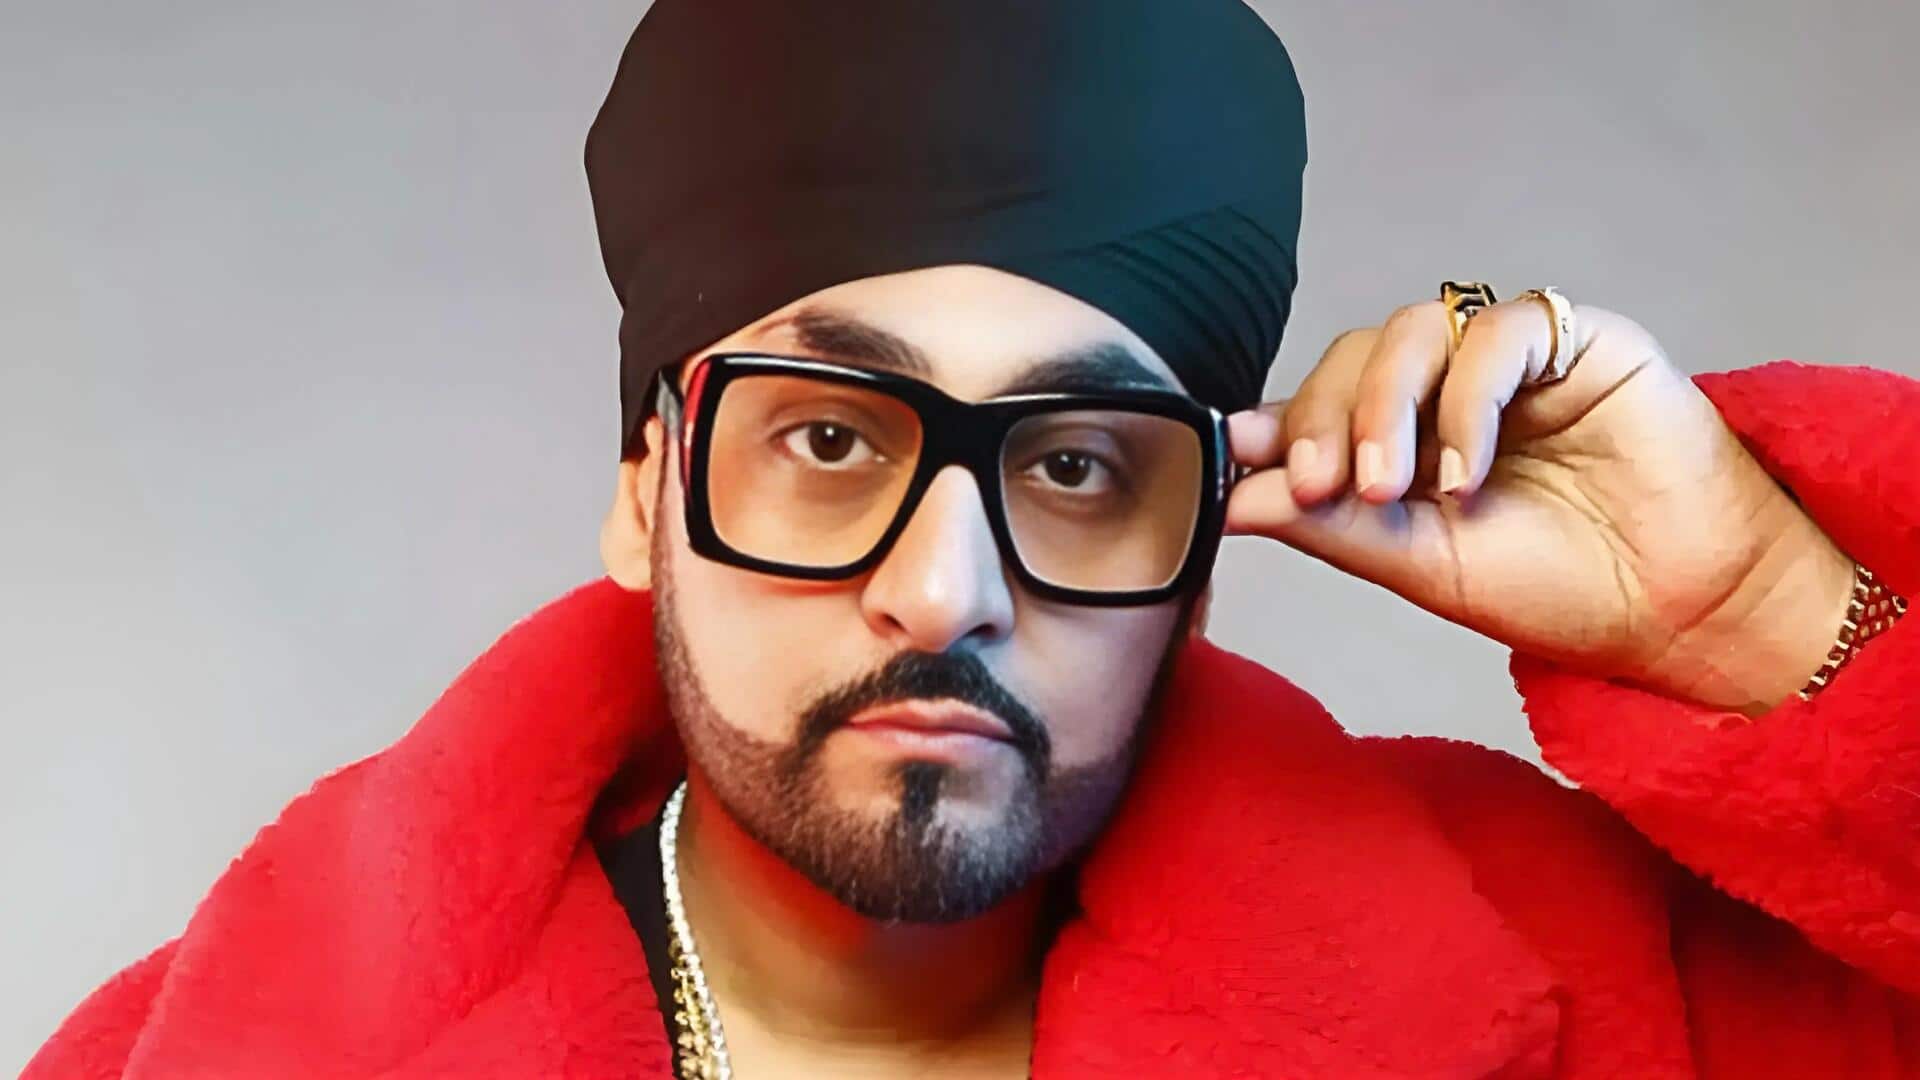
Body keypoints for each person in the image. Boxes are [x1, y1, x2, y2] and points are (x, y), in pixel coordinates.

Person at [27, 2, 1919, 1077]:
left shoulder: (1601, 994)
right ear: (646, 493)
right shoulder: (213, 1054)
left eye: (1078, 467)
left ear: (1205, 538)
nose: (945, 592)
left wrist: (1757, 610)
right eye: (829, 438)